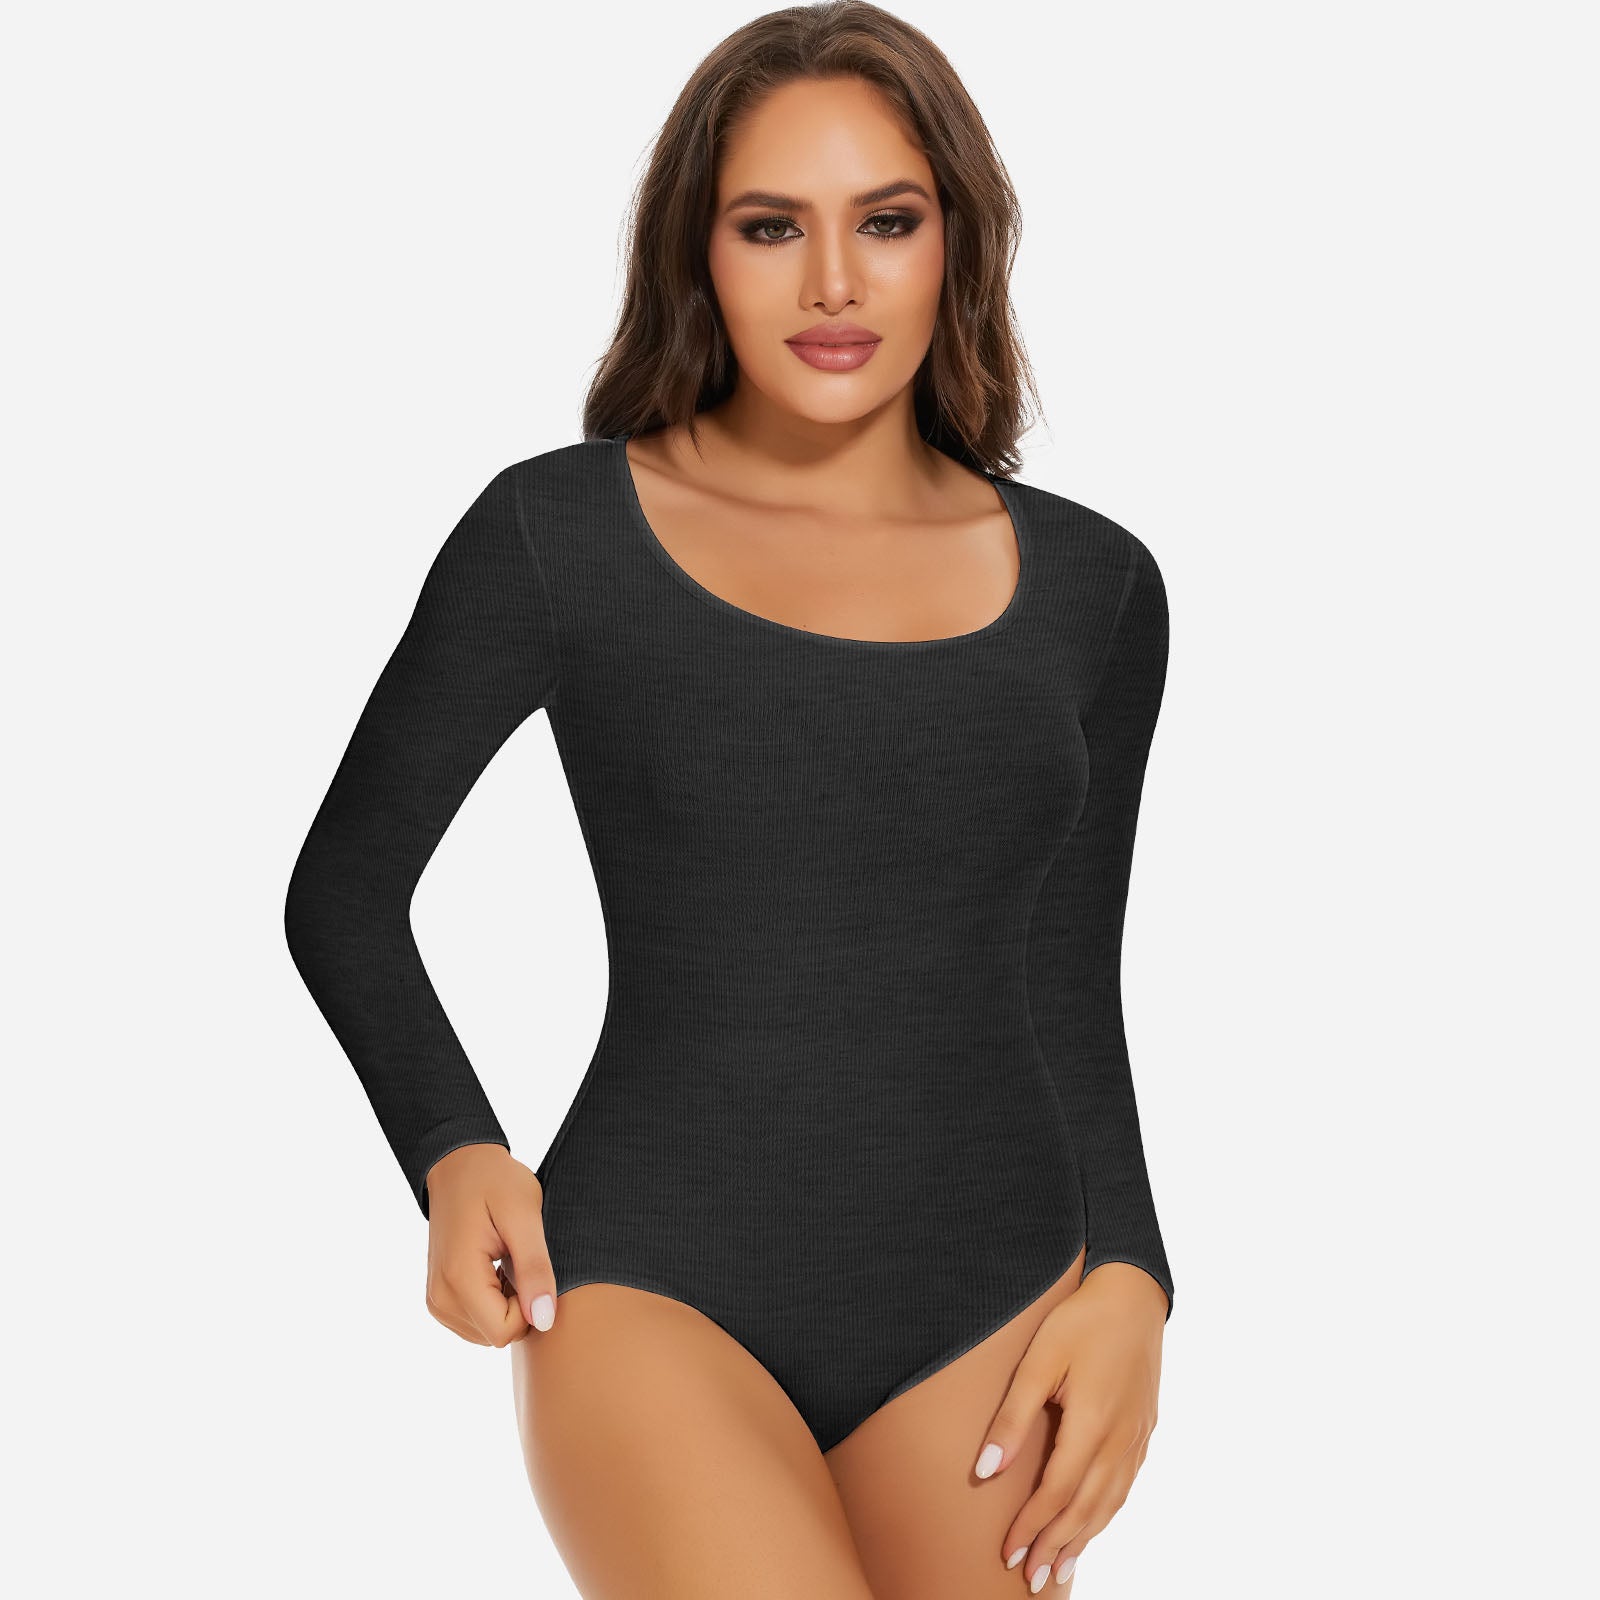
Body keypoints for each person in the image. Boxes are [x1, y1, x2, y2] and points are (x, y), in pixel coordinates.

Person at [283, 4, 1176, 1595]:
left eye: (885, 222)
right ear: (696, 252)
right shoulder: (558, 537)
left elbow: (1064, 974)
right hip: (653, 1283)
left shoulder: (1097, 589)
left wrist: (1137, 1279)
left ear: (958, 244)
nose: (833, 283)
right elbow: (345, 891)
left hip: (997, 1292)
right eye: (771, 226)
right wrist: (453, 1148)